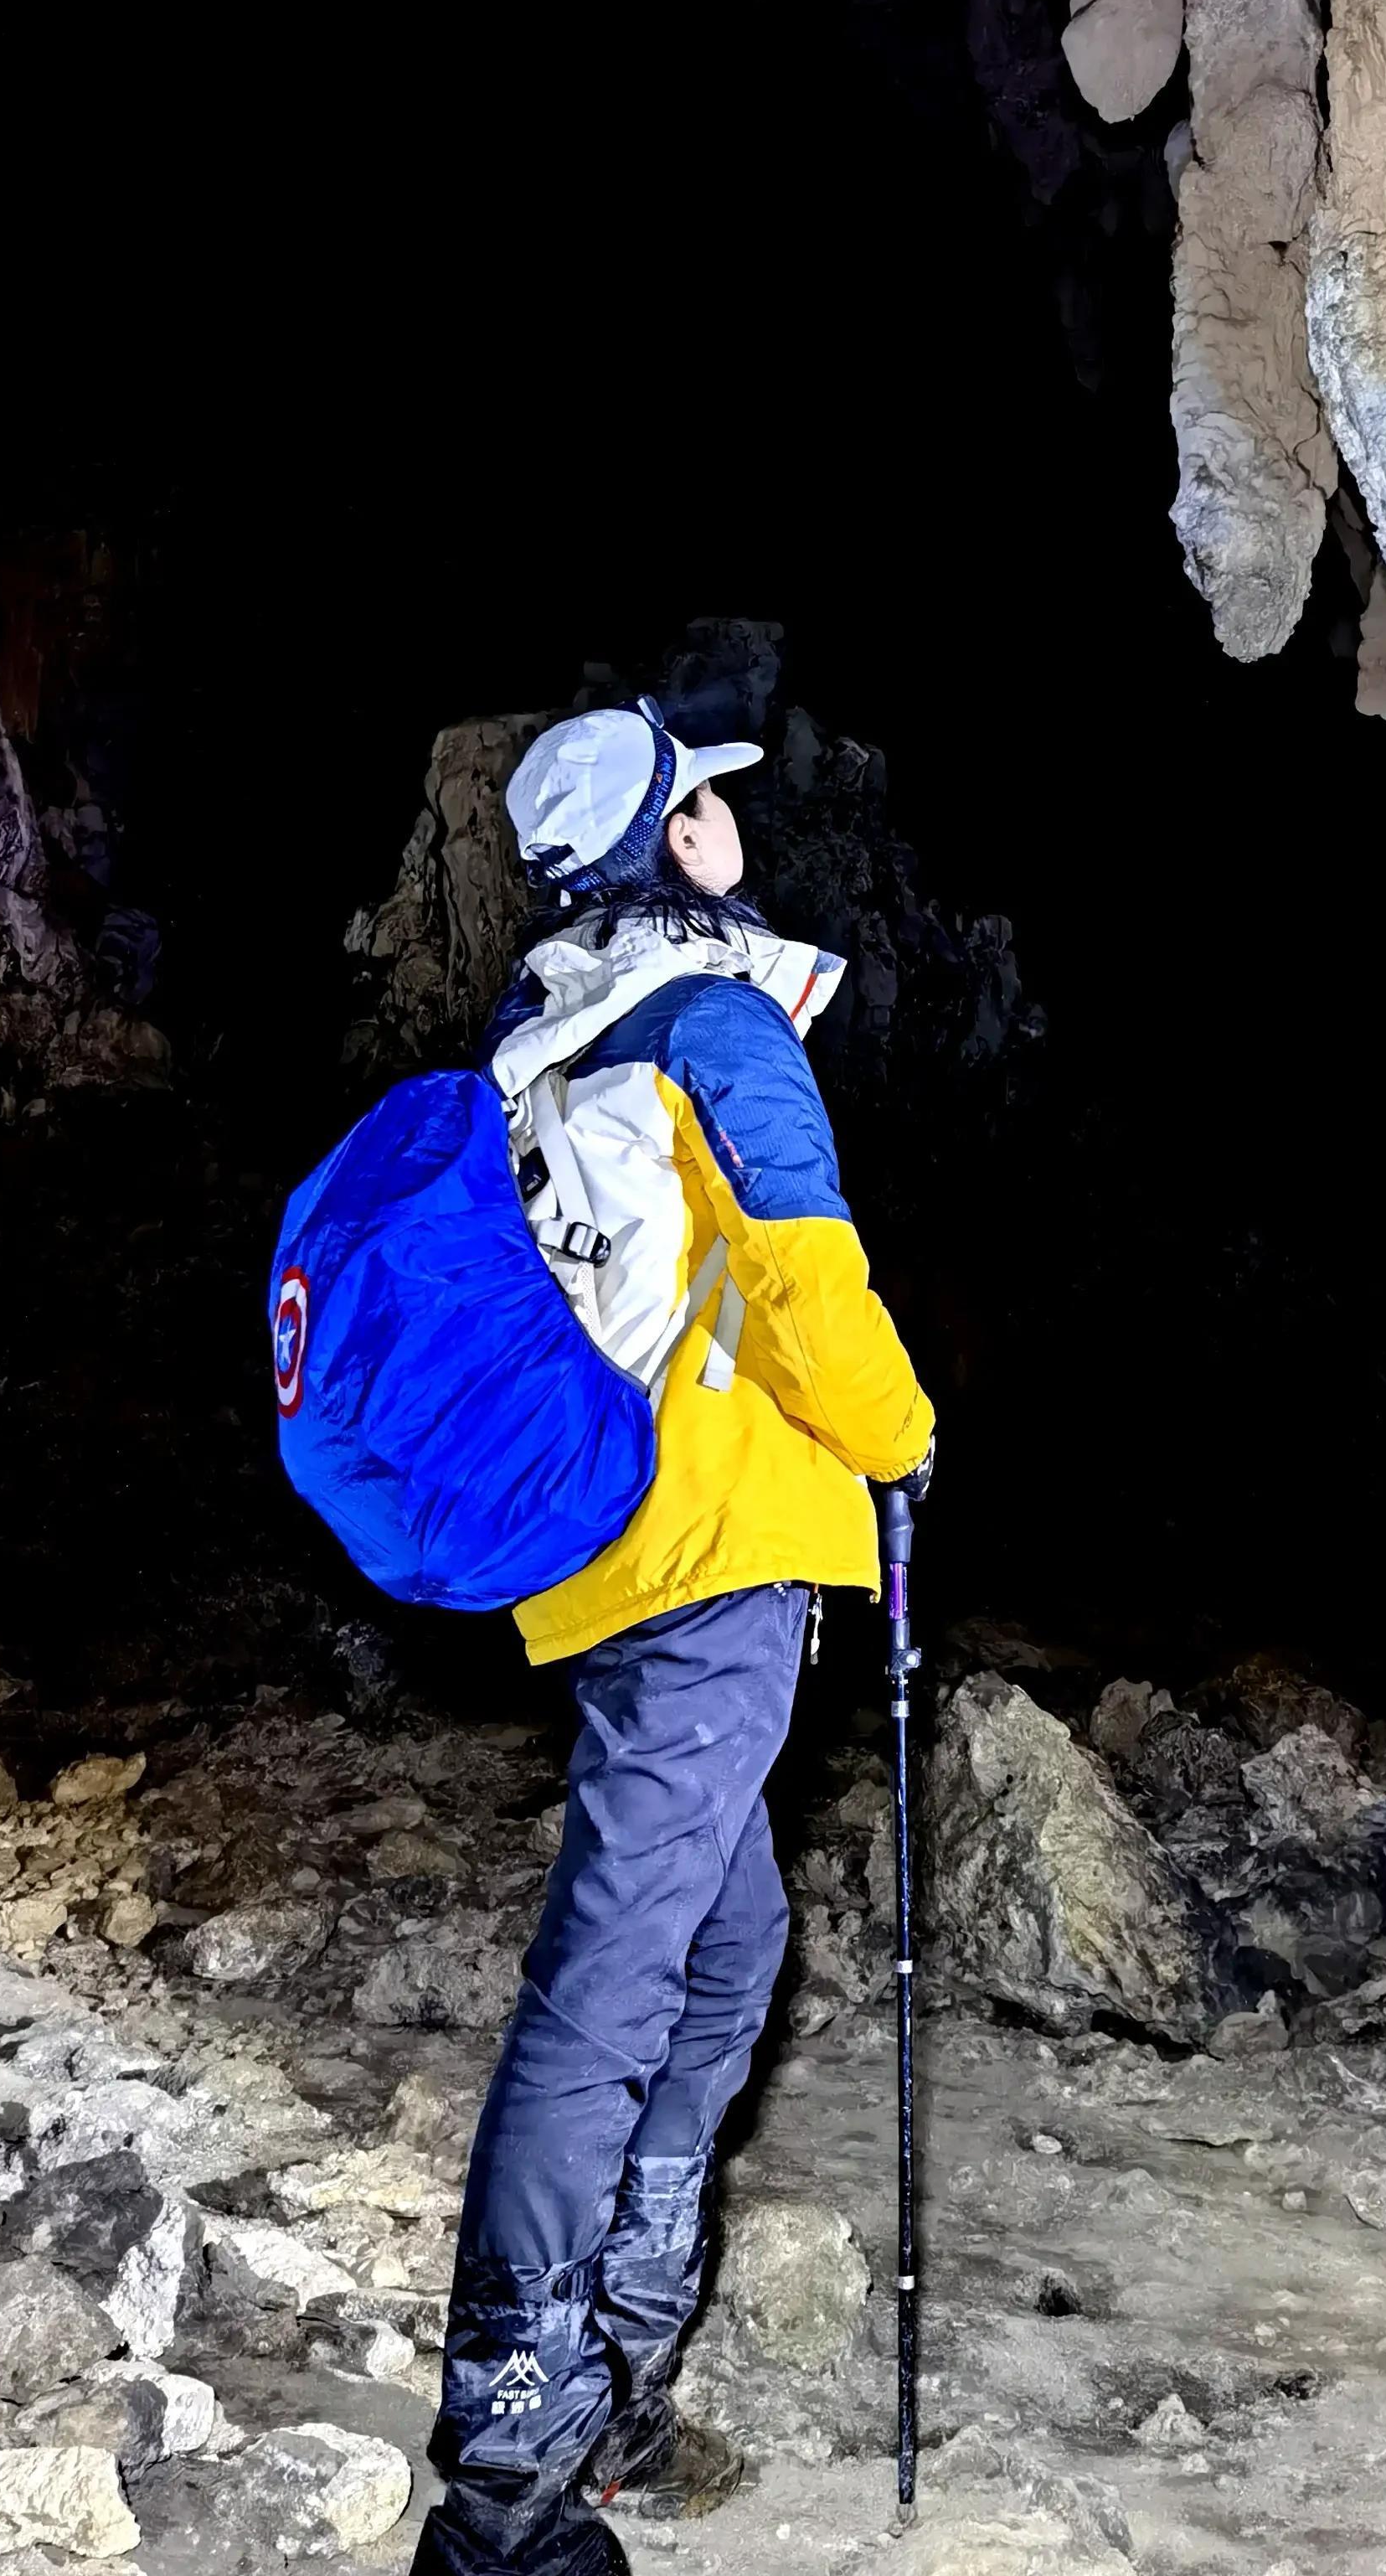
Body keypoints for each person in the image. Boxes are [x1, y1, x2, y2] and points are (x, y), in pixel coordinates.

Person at [411, 700, 934, 2576]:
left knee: (730, 1958)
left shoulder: (544, 1035)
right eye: (704, 794)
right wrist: (905, 1438)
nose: (732, 816)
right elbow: (806, 1280)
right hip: (714, 1559)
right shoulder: (709, 1021)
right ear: (668, 834)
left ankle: (615, 2378)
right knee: (609, 1994)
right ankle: (504, 2488)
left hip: (616, 1562)